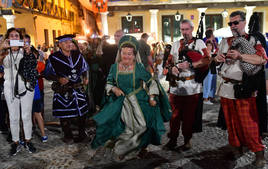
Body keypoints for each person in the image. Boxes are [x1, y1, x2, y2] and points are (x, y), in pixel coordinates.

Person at [91, 35, 171, 161]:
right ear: (120, 53)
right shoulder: (114, 67)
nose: (126, 56)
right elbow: (109, 82)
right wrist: (114, 89)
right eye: (124, 53)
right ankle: (124, 148)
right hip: (121, 102)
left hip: (140, 100)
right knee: (124, 128)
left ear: (134, 55)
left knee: (143, 126)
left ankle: (142, 147)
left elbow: (151, 82)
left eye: (129, 54)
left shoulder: (139, 68)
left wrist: (151, 96)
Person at [215, 11, 267, 167]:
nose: (232, 26)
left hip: (243, 88)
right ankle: (236, 148)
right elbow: (216, 60)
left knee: (249, 123)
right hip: (225, 88)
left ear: (244, 23)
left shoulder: (252, 40)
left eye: (236, 23)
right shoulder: (225, 41)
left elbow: (262, 59)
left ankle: (259, 153)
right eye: (230, 23)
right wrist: (217, 59)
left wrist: (240, 56)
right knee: (231, 124)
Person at [164, 19, 209, 151]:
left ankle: (187, 140)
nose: (185, 32)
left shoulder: (199, 43)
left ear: (192, 29)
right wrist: (172, 68)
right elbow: (168, 62)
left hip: (193, 86)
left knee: (189, 117)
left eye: (187, 29)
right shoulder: (176, 44)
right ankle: (172, 139)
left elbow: (207, 60)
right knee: (174, 116)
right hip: (176, 85)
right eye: (182, 29)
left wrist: (190, 64)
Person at [44, 34, 89, 144]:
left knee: (82, 113)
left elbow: (85, 67)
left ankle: (82, 134)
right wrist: (58, 79)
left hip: (78, 89)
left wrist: (85, 77)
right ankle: (68, 135)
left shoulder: (78, 55)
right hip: (63, 91)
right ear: (59, 45)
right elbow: (47, 74)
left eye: (70, 42)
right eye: (65, 42)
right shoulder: (53, 58)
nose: (69, 44)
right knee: (64, 114)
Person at [0, 28, 37, 155]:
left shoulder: (25, 50)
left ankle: (28, 140)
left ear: (20, 38)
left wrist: (28, 52)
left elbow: (33, 65)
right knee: (13, 116)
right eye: (11, 36)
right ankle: (16, 142)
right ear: (8, 38)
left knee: (26, 115)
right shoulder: (3, 52)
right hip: (9, 86)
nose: (14, 38)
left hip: (25, 85)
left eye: (17, 35)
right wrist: (1, 48)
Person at [203, 40, 217, 105]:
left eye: (210, 45)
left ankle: (211, 97)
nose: (209, 46)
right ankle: (205, 99)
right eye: (207, 45)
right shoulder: (204, 53)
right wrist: (210, 59)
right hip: (207, 69)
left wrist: (216, 59)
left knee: (213, 84)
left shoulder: (213, 52)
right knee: (207, 84)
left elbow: (217, 62)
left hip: (214, 69)